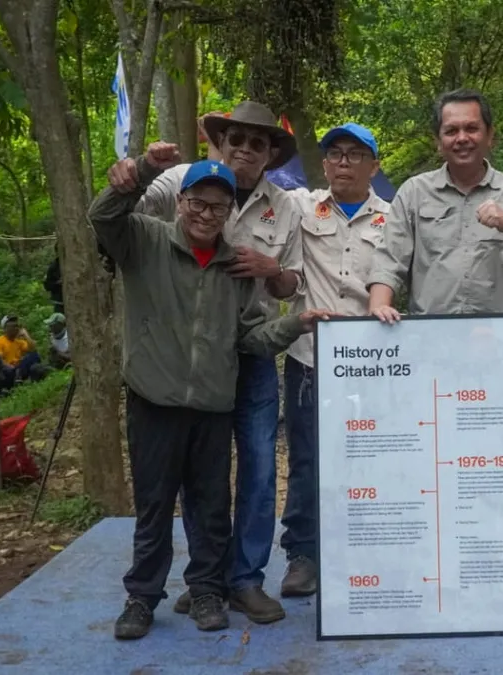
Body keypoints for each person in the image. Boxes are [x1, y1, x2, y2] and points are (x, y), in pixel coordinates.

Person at [93, 142, 333, 641]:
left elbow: (249, 337)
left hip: (212, 404)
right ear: (181, 203)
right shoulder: (145, 239)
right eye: (197, 203)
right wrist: (138, 170)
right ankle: (141, 597)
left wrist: (295, 326)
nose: (206, 214)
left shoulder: (235, 267)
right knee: (155, 505)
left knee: (210, 504)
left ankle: (206, 590)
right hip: (153, 401)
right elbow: (103, 215)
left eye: (217, 206)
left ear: (228, 213)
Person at [131, 100, 304, 625]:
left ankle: (245, 581)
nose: (245, 151)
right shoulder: (181, 183)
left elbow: (293, 284)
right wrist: (135, 169)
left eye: (258, 143)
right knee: (195, 478)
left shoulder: (289, 206)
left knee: (255, 469)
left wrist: (271, 270)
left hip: (253, 350)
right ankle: (205, 581)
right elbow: (137, 209)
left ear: (271, 154)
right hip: (186, 357)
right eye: (236, 140)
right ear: (220, 143)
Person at [279, 122, 391, 597]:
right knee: (308, 459)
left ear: (374, 165)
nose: (343, 162)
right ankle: (303, 553)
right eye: (335, 154)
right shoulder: (300, 207)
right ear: (323, 163)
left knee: (373, 457)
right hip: (311, 357)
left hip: (376, 361)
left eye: (354, 154)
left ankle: (367, 547)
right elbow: (251, 188)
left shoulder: (395, 216)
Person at [366, 88, 503, 321]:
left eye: (471, 128)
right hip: (431, 336)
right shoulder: (414, 192)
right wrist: (379, 305)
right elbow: (389, 260)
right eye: (451, 131)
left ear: (490, 135)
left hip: (499, 339)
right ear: (438, 142)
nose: (462, 138)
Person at [0, 315, 45, 383]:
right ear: (5, 328)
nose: (16, 328)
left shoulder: (19, 342)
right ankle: (18, 377)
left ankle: (25, 377)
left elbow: (33, 348)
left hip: (19, 369)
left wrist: (26, 335)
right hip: (8, 370)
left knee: (34, 355)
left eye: (17, 326)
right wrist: (10, 367)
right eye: (14, 326)